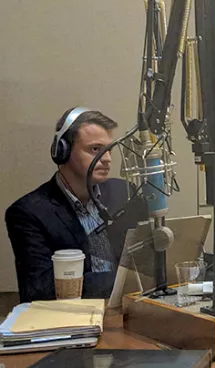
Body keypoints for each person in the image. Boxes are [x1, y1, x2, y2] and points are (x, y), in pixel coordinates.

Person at [6, 107, 146, 302]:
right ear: (62, 151)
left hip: (129, 308)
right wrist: (127, 280)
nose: (106, 159)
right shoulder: (29, 212)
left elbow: (148, 259)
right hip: (72, 317)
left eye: (109, 150)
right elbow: (40, 288)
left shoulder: (125, 193)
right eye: (95, 150)